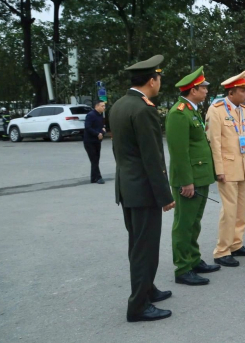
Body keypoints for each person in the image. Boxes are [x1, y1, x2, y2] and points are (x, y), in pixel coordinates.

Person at [108, 54, 174, 323]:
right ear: (151, 80)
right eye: (158, 78)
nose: (159, 83)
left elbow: (119, 151)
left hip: (127, 187)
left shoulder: (119, 105)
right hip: (144, 190)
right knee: (145, 248)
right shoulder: (144, 109)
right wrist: (165, 195)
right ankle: (138, 306)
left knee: (138, 244)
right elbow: (152, 157)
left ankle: (148, 288)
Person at [166, 66, 220, 286]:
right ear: (193, 90)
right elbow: (179, 152)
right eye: (203, 87)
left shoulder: (192, 110)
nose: (206, 90)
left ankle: (194, 259)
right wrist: (186, 181)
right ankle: (182, 268)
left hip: (200, 175)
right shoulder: (178, 113)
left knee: (194, 222)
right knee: (184, 224)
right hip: (189, 179)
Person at [206, 70, 245, 268]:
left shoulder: (244, 110)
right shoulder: (216, 110)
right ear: (231, 92)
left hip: (243, 166)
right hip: (227, 168)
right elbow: (214, 142)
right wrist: (219, 169)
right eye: (243, 90)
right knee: (229, 210)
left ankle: (236, 244)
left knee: (241, 209)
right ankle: (222, 251)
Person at [84, 100, 107, 185]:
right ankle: (98, 177)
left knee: (96, 160)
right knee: (94, 159)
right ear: (96, 106)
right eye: (102, 106)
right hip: (89, 141)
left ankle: (93, 178)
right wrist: (97, 134)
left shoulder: (100, 116)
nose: (104, 108)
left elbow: (102, 128)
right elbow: (88, 127)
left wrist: (102, 133)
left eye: (104, 106)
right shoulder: (91, 115)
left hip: (97, 141)